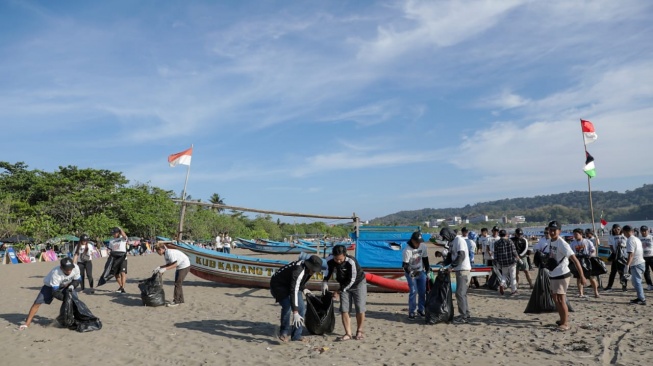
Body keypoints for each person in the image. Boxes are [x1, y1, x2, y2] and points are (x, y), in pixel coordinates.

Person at [270, 255, 323, 343]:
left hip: (292, 285)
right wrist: (295, 312)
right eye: (313, 270)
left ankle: (296, 335)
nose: (314, 272)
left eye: (315, 270)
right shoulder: (298, 271)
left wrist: (304, 289)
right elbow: (293, 290)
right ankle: (284, 332)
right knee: (287, 306)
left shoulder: (309, 271)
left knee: (302, 308)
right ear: (309, 266)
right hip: (279, 285)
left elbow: (300, 283)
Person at [18, 258, 81, 330]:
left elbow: (77, 280)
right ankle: (27, 323)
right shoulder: (56, 273)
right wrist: (66, 298)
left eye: (70, 268)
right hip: (50, 286)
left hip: (67, 285)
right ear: (61, 267)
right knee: (37, 303)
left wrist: (72, 286)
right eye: (67, 269)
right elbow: (55, 292)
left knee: (75, 299)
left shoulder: (75, 268)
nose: (69, 271)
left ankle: (72, 318)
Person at [546, 221, 586, 331]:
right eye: (550, 229)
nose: (552, 231)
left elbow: (575, 260)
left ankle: (566, 323)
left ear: (559, 231)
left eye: (554, 230)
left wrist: (582, 276)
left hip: (562, 274)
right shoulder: (550, 241)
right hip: (553, 273)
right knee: (555, 298)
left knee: (561, 298)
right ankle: (562, 319)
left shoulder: (562, 243)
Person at [322, 245, 366, 341]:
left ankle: (359, 330)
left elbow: (352, 280)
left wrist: (338, 291)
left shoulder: (351, 261)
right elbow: (327, 270)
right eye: (336, 259)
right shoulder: (330, 259)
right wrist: (325, 281)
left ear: (345, 255)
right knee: (344, 309)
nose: (338, 261)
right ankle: (348, 333)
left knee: (360, 308)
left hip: (358, 283)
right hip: (343, 284)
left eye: (340, 260)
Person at [440, 228, 471, 324]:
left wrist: (452, 267)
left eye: (445, 237)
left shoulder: (459, 240)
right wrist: (444, 265)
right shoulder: (451, 242)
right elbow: (450, 256)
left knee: (459, 293)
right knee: (462, 294)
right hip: (458, 270)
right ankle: (466, 313)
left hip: (463, 270)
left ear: (449, 234)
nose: (445, 239)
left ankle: (463, 317)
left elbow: (461, 256)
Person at [402, 231, 431, 320]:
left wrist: (428, 270)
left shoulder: (423, 246)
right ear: (412, 240)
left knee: (422, 292)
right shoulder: (407, 250)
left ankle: (421, 309)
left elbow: (425, 259)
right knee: (413, 291)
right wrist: (411, 273)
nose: (419, 244)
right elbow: (405, 265)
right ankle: (412, 311)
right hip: (411, 272)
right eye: (417, 242)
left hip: (420, 271)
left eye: (420, 241)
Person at [153, 242, 191, 307]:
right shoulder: (166, 254)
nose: (157, 253)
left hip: (184, 266)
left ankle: (176, 301)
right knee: (178, 283)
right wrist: (160, 267)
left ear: (160, 249)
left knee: (177, 283)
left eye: (157, 251)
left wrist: (165, 269)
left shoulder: (170, 253)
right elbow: (169, 264)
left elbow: (175, 264)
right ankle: (180, 300)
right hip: (180, 266)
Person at [570, 228, 599, 298]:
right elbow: (571, 252)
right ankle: (581, 293)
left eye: (576, 234)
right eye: (574, 234)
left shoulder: (587, 241)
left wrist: (591, 255)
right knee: (579, 277)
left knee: (591, 277)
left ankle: (596, 292)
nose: (575, 236)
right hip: (577, 260)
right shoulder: (573, 243)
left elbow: (593, 250)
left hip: (587, 260)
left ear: (581, 234)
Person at [623, 225, 646, 305]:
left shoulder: (630, 240)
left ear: (625, 232)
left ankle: (642, 299)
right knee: (634, 281)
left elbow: (631, 254)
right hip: (640, 262)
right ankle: (640, 297)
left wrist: (627, 265)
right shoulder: (637, 239)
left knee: (637, 282)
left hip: (636, 263)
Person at [493, 230, 520, 296]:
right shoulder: (510, 241)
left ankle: (502, 284)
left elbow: (495, 254)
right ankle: (514, 290)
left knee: (504, 275)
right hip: (511, 261)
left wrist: (497, 262)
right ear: (506, 234)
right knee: (512, 276)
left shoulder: (496, 243)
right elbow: (514, 251)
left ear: (499, 235)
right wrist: (518, 258)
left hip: (502, 262)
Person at [604, 224, 627, 291]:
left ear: (620, 229)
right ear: (613, 230)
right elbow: (611, 246)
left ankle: (624, 286)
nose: (617, 231)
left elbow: (627, 244)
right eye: (615, 229)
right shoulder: (611, 237)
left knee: (622, 272)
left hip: (623, 256)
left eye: (618, 229)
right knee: (613, 272)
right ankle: (609, 286)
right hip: (615, 256)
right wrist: (614, 252)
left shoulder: (624, 236)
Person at [108, 227, 128, 293]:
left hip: (123, 258)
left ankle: (123, 288)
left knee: (123, 273)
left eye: (115, 233)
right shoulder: (111, 241)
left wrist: (120, 229)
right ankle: (121, 286)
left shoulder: (122, 239)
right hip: (115, 258)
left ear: (118, 233)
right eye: (113, 233)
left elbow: (124, 235)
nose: (113, 234)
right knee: (116, 274)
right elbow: (110, 249)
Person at [639, 226, 653, 291]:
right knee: (646, 272)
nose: (644, 232)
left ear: (648, 230)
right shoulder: (639, 238)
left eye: (645, 231)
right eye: (642, 231)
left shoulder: (651, 237)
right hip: (643, 257)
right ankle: (649, 284)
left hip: (651, 256)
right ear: (640, 231)